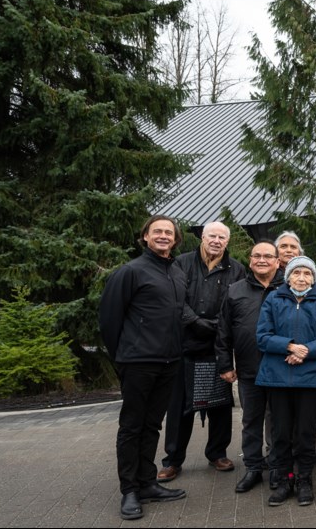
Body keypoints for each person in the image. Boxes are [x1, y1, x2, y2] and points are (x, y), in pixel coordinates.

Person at [98, 215, 188, 521]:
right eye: (157, 231)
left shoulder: (176, 272)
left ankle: (147, 482)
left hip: (170, 361)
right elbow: (110, 319)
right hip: (138, 362)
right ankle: (130, 490)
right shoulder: (130, 272)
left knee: (152, 425)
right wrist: (123, 356)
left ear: (175, 240)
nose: (163, 236)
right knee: (132, 426)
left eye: (169, 232)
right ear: (145, 237)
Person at [158, 222, 245, 483]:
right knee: (179, 407)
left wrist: (219, 326)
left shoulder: (237, 268)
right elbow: (174, 298)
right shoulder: (181, 263)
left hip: (217, 345)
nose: (216, 241)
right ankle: (173, 460)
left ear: (227, 242)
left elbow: (237, 303)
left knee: (220, 403)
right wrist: (194, 320)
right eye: (212, 236)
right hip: (184, 343)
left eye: (222, 237)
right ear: (202, 238)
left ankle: (217, 453)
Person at [257, 256, 316, 507]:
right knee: (281, 433)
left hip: (310, 378)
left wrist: (307, 350)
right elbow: (262, 336)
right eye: (297, 273)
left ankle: (304, 479)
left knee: (305, 433)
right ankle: (284, 479)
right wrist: (289, 347)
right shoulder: (274, 298)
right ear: (288, 276)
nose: (302, 278)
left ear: (314, 277)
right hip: (278, 377)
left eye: (307, 273)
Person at [215, 240, 284, 493]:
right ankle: (254, 468)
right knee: (251, 420)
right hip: (248, 368)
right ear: (250, 260)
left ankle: (277, 466)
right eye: (257, 256)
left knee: (278, 421)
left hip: (282, 369)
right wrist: (225, 364)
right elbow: (223, 331)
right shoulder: (235, 290)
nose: (262, 260)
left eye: (268, 256)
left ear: (278, 261)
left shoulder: (288, 287)